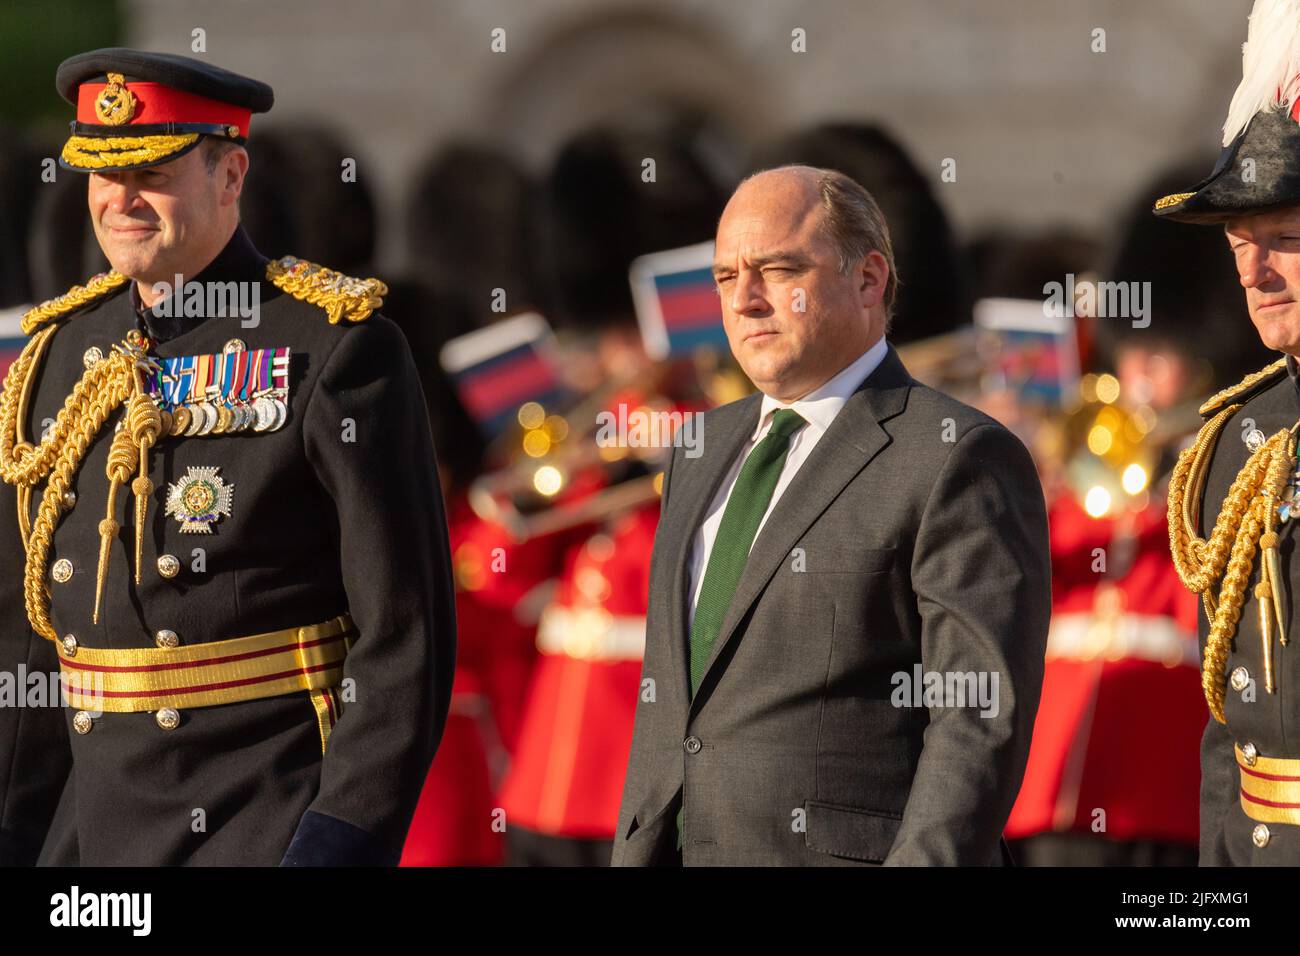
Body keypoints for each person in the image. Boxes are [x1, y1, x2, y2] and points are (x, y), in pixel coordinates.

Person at [0, 48, 456, 865]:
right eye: (103, 174)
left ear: (230, 173)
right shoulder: (56, 354)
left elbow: (404, 637)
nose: (121, 200)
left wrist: (338, 842)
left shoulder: (334, 347)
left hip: (262, 816)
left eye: (153, 170)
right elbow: (33, 637)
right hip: (91, 833)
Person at [611, 164, 1051, 866]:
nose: (746, 300)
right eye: (727, 278)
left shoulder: (958, 455)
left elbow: (975, 719)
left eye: (778, 269)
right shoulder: (698, 449)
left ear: (869, 280)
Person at [1159, 0, 1300, 865]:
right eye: (1239, 244)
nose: (1253, 268)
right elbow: (1228, 728)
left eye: (1283, 238)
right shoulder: (1233, 447)